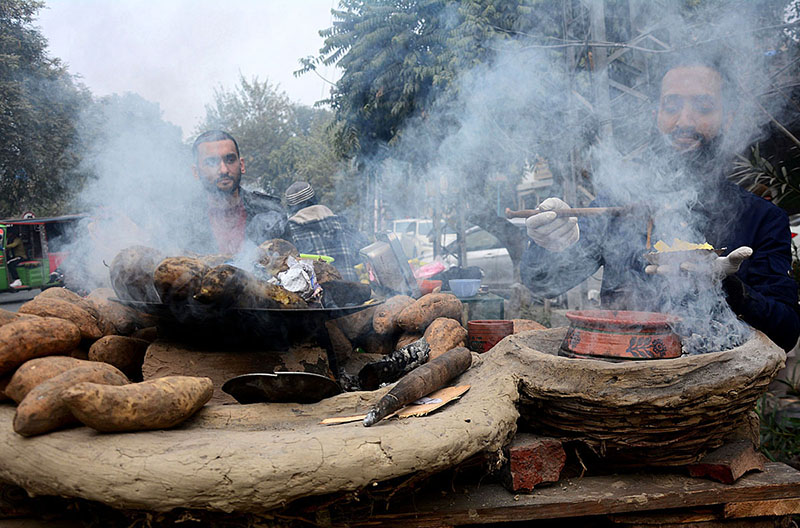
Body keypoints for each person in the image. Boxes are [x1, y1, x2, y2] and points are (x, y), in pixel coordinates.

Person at [521, 57, 800, 352]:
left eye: (703, 108)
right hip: (622, 381)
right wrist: (550, 243)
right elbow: (542, 283)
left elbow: (786, 332)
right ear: (657, 115)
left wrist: (729, 287)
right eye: (671, 106)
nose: (684, 122)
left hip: (719, 389)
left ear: (728, 119)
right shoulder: (618, 203)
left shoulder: (762, 218)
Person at [191, 130, 286, 254]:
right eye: (211, 163)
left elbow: (290, 264)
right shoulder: (183, 221)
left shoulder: (270, 211)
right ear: (196, 172)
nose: (224, 170)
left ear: (241, 165)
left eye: (230, 160)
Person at [283, 181, 367, 282]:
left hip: (315, 296)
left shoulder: (290, 230)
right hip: (351, 291)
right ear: (315, 199)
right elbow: (364, 251)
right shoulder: (341, 223)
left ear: (291, 208)